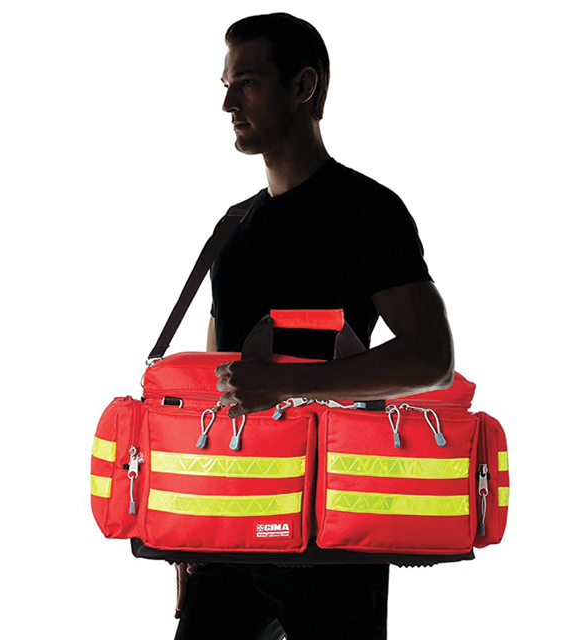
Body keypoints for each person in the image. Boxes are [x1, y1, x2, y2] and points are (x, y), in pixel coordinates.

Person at [171, 13, 455, 640]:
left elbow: (432, 356)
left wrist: (287, 384)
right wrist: (192, 527)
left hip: (335, 537)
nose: (228, 104)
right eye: (226, 85)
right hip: (231, 529)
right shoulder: (233, 230)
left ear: (303, 86)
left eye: (247, 83)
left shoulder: (368, 212)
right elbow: (215, 390)